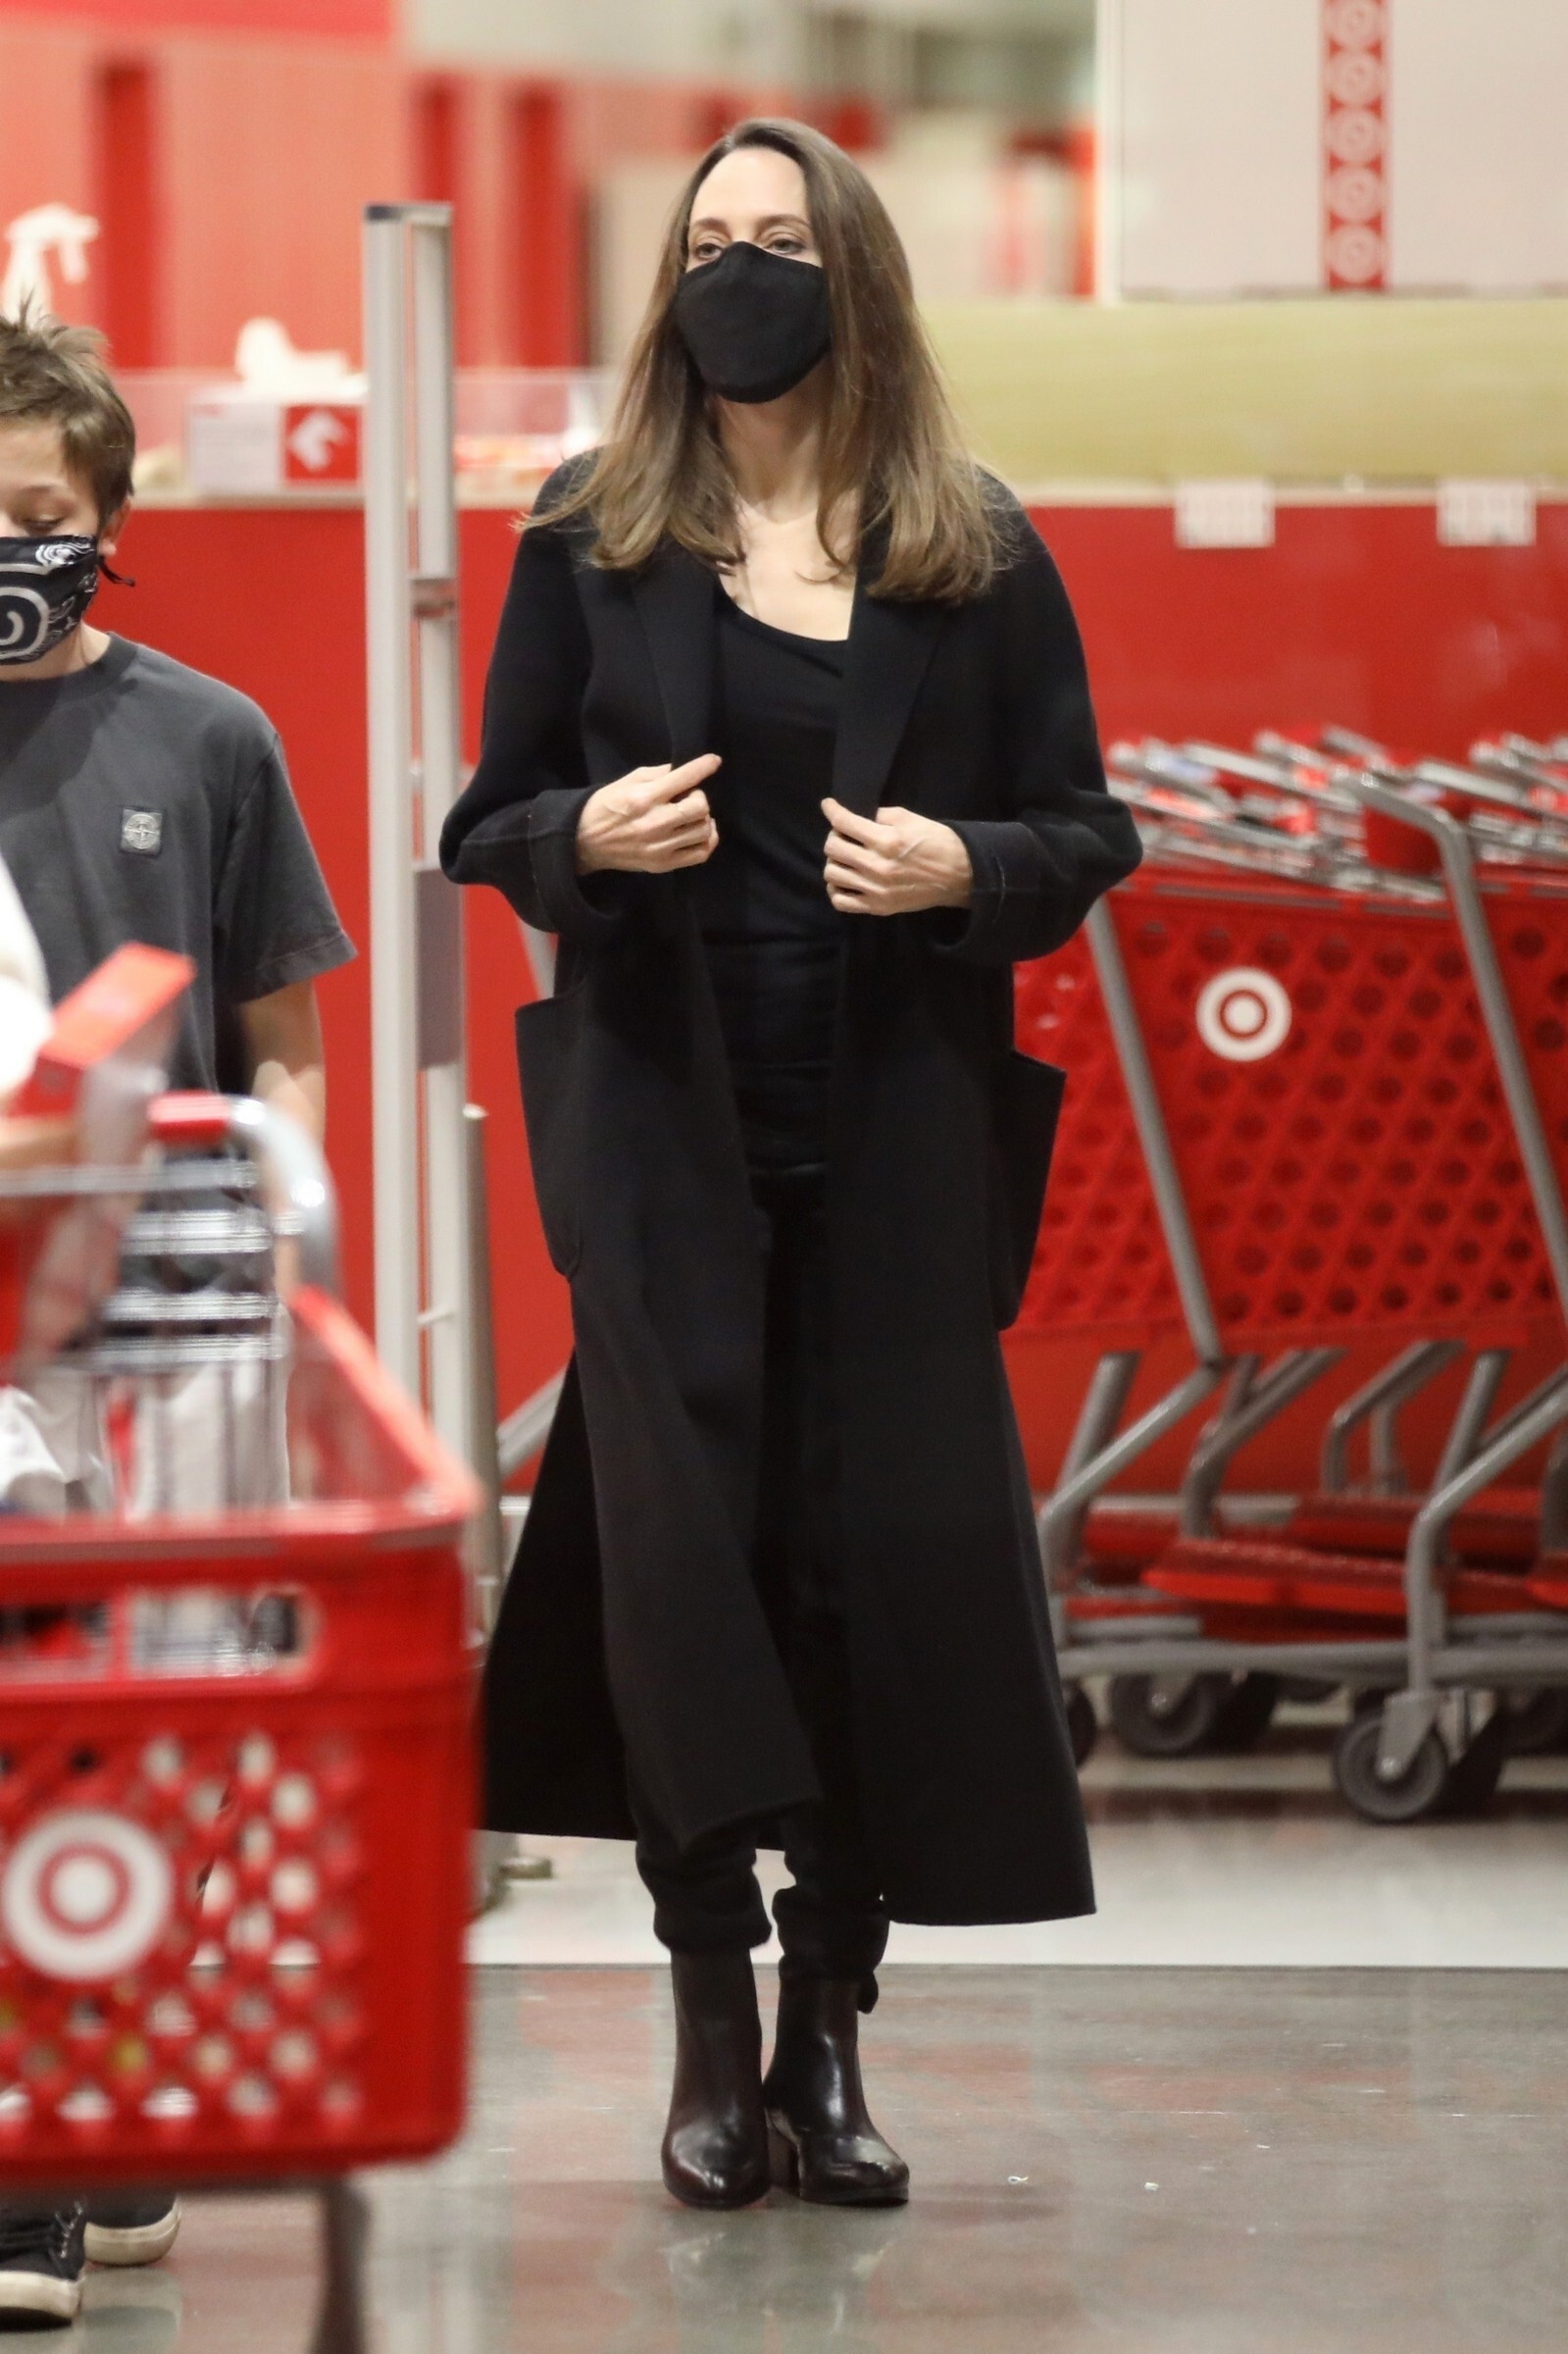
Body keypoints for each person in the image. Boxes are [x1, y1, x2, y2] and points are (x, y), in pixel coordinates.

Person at [442, 118, 1141, 2212]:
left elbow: (1084, 832)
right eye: (708, 240)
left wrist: (963, 865)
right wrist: (582, 838)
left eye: (778, 236)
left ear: (856, 272)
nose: (739, 270)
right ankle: (702, 2020)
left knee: (865, 1579)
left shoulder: (971, 545)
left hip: (897, 1138)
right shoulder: (593, 533)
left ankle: (825, 2026)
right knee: (686, 1583)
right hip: (663, 1140)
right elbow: (490, 822)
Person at [0, 301, 354, 2322]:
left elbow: (279, 1034)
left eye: (30, 514)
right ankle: (30, 2158)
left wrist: (287, 1268)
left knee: (159, 1729)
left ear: (105, 525)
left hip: (176, 1319)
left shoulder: (211, 739)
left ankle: (103, 2079)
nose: (0, 551)